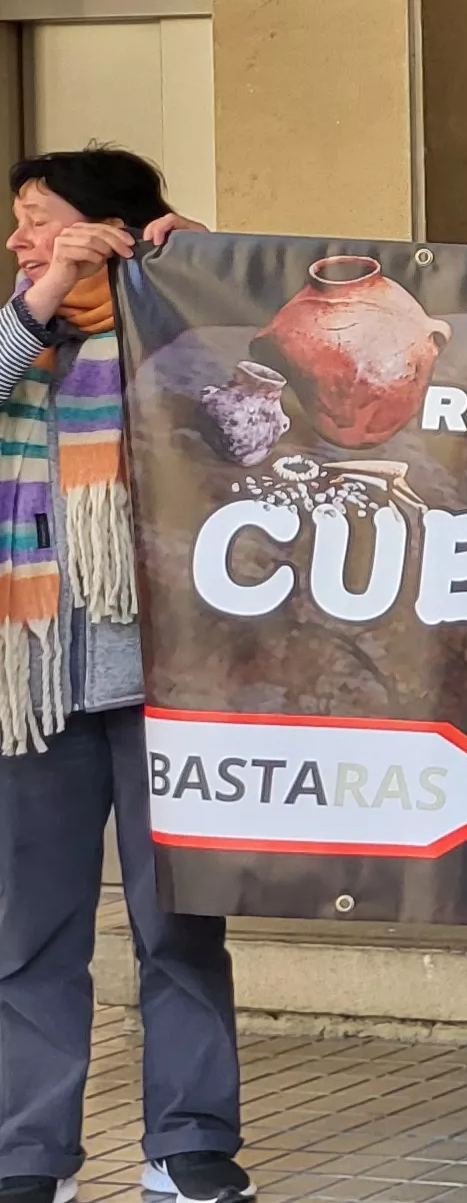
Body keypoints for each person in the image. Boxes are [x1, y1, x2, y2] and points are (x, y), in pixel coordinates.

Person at [0, 149, 242, 1203]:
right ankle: (26, 1152)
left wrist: (198, 283)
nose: (19, 241)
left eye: (39, 222)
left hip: (169, 677)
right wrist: (45, 292)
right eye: (16, 225)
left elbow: (256, 427)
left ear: (108, 228)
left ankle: (188, 1146)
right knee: (28, 932)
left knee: (180, 925)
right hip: (35, 680)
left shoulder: (177, 325)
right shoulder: (21, 335)